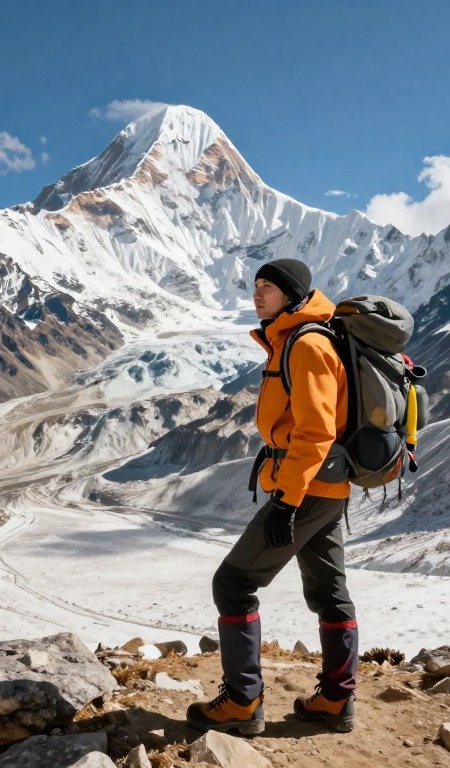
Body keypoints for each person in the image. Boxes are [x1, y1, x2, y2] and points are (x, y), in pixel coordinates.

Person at [186, 258, 358, 736]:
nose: (257, 295)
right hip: (325, 486)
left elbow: (315, 432)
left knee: (233, 583)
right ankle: (335, 700)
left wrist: (287, 500)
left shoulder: (306, 344)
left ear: (293, 295)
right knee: (329, 591)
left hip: (307, 485)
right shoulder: (296, 339)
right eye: (256, 286)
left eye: (268, 288)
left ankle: (242, 702)